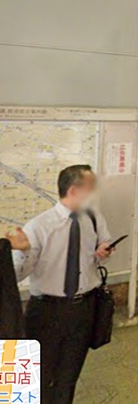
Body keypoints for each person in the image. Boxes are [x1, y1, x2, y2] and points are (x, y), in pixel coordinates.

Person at [5, 165, 114, 403]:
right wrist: (22, 251)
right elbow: (16, 275)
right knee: (33, 380)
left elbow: (99, 245)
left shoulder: (93, 217)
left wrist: (101, 252)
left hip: (83, 309)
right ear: (74, 191)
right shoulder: (39, 226)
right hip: (45, 311)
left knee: (68, 377)